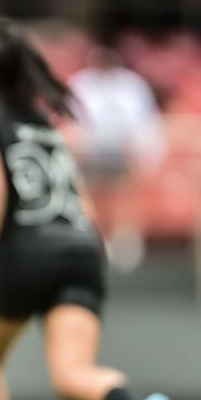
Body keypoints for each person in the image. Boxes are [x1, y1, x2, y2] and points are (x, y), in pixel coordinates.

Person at [0, 19, 173, 400]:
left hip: (25, 249)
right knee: (73, 376)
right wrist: (92, 250)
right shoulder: (44, 121)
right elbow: (78, 193)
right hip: (82, 248)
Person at [67, 41, 165, 271]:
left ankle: (125, 245)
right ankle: (94, 241)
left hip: (123, 153)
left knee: (124, 197)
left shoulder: (132, 85)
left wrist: (145, 153)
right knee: (91, 199)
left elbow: (145, 122)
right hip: (90, 153)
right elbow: (72, 121)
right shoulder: (82, 83)